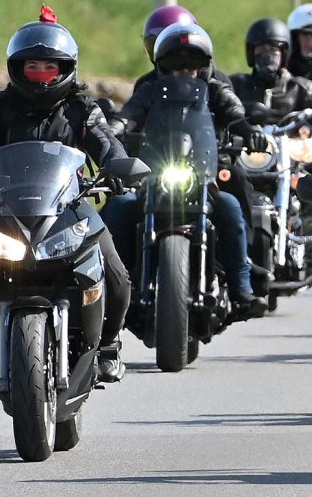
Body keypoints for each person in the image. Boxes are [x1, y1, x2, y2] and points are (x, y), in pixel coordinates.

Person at [0, 21, 132, 382]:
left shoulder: (83, 109)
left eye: (48, 67)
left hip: (69, 207)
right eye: (31, 67)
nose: (39, 76)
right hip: (7, 210)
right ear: (16, 69)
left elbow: (105, 142)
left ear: (65, 69)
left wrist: (117, 167)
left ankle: (109, 345)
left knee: (116, 277)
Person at [106, 23, 271, 314]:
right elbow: (129, 115)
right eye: (176, 65)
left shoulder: (214, 90)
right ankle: (114, 287)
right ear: (162, 67)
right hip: (155, 177)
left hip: (202, 177)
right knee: (119, 206)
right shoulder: (149, 92)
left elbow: (234, 113)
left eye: (192, 65)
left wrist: (248, 130)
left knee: (231, 208)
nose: (185, 71)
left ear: (204, 67)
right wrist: (113, 128)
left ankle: (241, 288)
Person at [230, 17, 312, 122]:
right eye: (262, 49)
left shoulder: (301, 89)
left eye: (273, 49)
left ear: (284, 53)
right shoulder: (236, 86)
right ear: (251, 53)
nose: (268, 56)